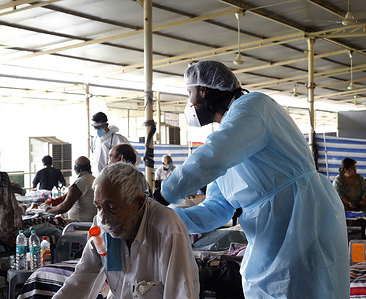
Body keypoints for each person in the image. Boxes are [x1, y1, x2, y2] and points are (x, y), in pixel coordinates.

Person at [158, 61, 349, 298]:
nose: (190, 101)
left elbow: (212, 156)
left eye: (190, 92)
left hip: (302, 216)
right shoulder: (230, 137)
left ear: (204, 90)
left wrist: (162, 194)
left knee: (306, 288)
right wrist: (164, 217)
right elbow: (218, 209)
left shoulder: (252, 107)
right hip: (271, 233)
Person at [52, 162, 199, 299]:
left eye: (112, 208)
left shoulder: (167, 228)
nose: (103, 218)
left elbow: (181, 293)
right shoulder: (102, 226)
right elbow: (83, 277)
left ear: (139, 203)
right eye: (98, 207)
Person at [45, 156, 96, 222]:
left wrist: (47, 210)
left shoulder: (77, 184)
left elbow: (64, 208)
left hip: (77, 224)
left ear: (75, 168)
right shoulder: (94, 180)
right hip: (92, 222)